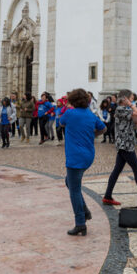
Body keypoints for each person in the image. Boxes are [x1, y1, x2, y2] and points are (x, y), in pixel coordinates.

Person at [58, 88, 106, 236]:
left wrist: (68, 108)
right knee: (70, 182)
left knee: (74, 190)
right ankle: (84, 211)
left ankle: (80, 223)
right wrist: (92, 135)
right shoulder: (90, 115)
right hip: (88, 155)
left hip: (75, 157)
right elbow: (103, 128)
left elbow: (61, 123)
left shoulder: (70, 113)